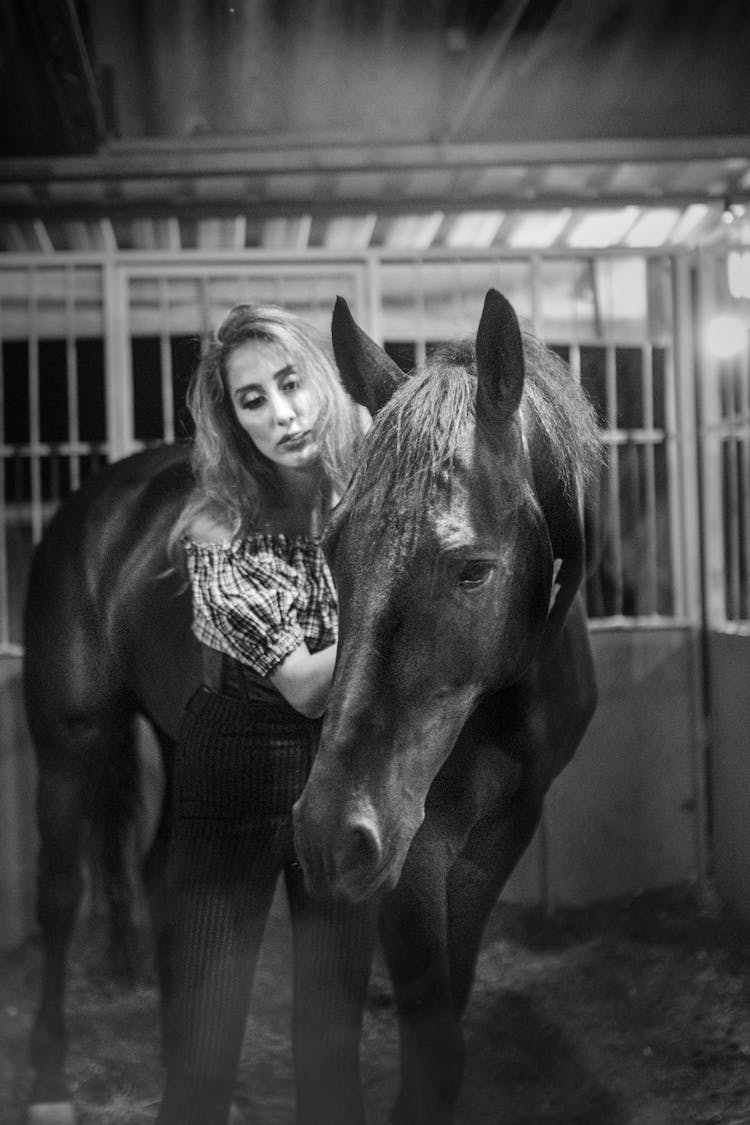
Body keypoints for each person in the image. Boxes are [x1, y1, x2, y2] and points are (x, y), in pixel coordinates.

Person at [156, 302, 377, 1125]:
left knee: (332, 1048)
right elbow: (313, 685)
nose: (281, 414)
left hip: (343, 775)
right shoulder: (219, 527)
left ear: (319, 382)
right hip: (238, 770)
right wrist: (399, 602)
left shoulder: (369, 493)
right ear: (232, 421)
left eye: (290, 384)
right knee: (204, 1050)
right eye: (252, 400)